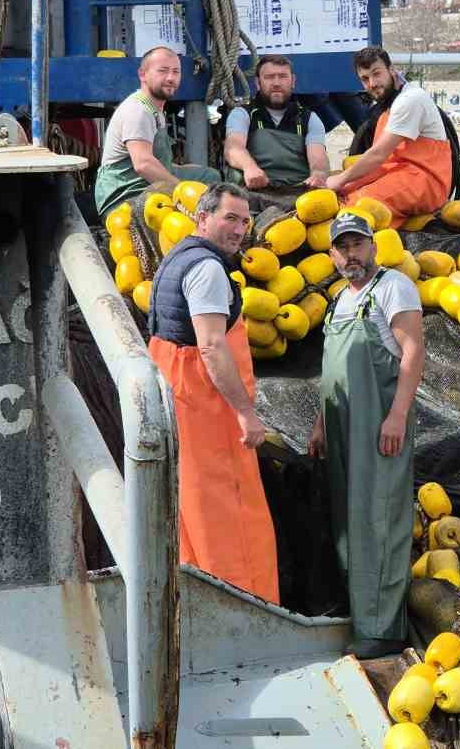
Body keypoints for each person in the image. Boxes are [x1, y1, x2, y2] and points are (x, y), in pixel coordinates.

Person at [147, 182, 280, 603]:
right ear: (202, 217)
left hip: (180, 398)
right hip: (209, 410)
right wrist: (245, 413)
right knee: (232, 526)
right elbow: (210, 345)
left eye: (244, 221)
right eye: (229, 218)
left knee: (194, 518)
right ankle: (248, 613)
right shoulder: (206, 270)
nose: (239, 229)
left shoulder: (176, 258)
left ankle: (197, 611)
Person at [307, 211, 425, 659]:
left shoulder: (393, 288)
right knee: (349, 519)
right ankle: (361, 614)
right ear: (332, 254)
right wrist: (320, 424)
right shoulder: (339, 299)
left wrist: (397, 415)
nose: (351, 254)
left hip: (378, 423)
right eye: (343, 247)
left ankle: (383, 628)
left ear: (374, 246)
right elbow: (329, 372)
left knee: (380, 516)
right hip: (340, 427)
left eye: (358, 244)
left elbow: (413, 351)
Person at [325, 47, 453, 228]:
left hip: (425, 181)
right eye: (365, 79)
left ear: (392, 70)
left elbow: (378, 154)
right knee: (343, 194)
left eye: (376, 74)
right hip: (400, 172)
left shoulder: (409, 100)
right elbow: (386, 161)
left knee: (355, 209)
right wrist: (347, 185)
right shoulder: (388, 106)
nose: (372, 83)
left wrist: (340, 179)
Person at [93, 46, 221, 215]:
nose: (170, 78)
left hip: (146, 184)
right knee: (198, 200)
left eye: (176, 72)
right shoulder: (138, 110)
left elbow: (156, 160)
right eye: (163, 71)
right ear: (142, 74)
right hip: (125, 196)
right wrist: (182, 191)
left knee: (208, 177)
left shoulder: (155, 110)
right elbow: (143, 164)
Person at [222, 55, 330, 190]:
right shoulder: (242, 114)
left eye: (283, 76)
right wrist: (249, 167)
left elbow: (318, 156)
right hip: (254, 190)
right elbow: (233, 148)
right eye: (269, 77)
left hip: (298, 191)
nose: (276, 83)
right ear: (257, 83)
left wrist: (318, 174)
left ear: (293, 81)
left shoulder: (310, 119)